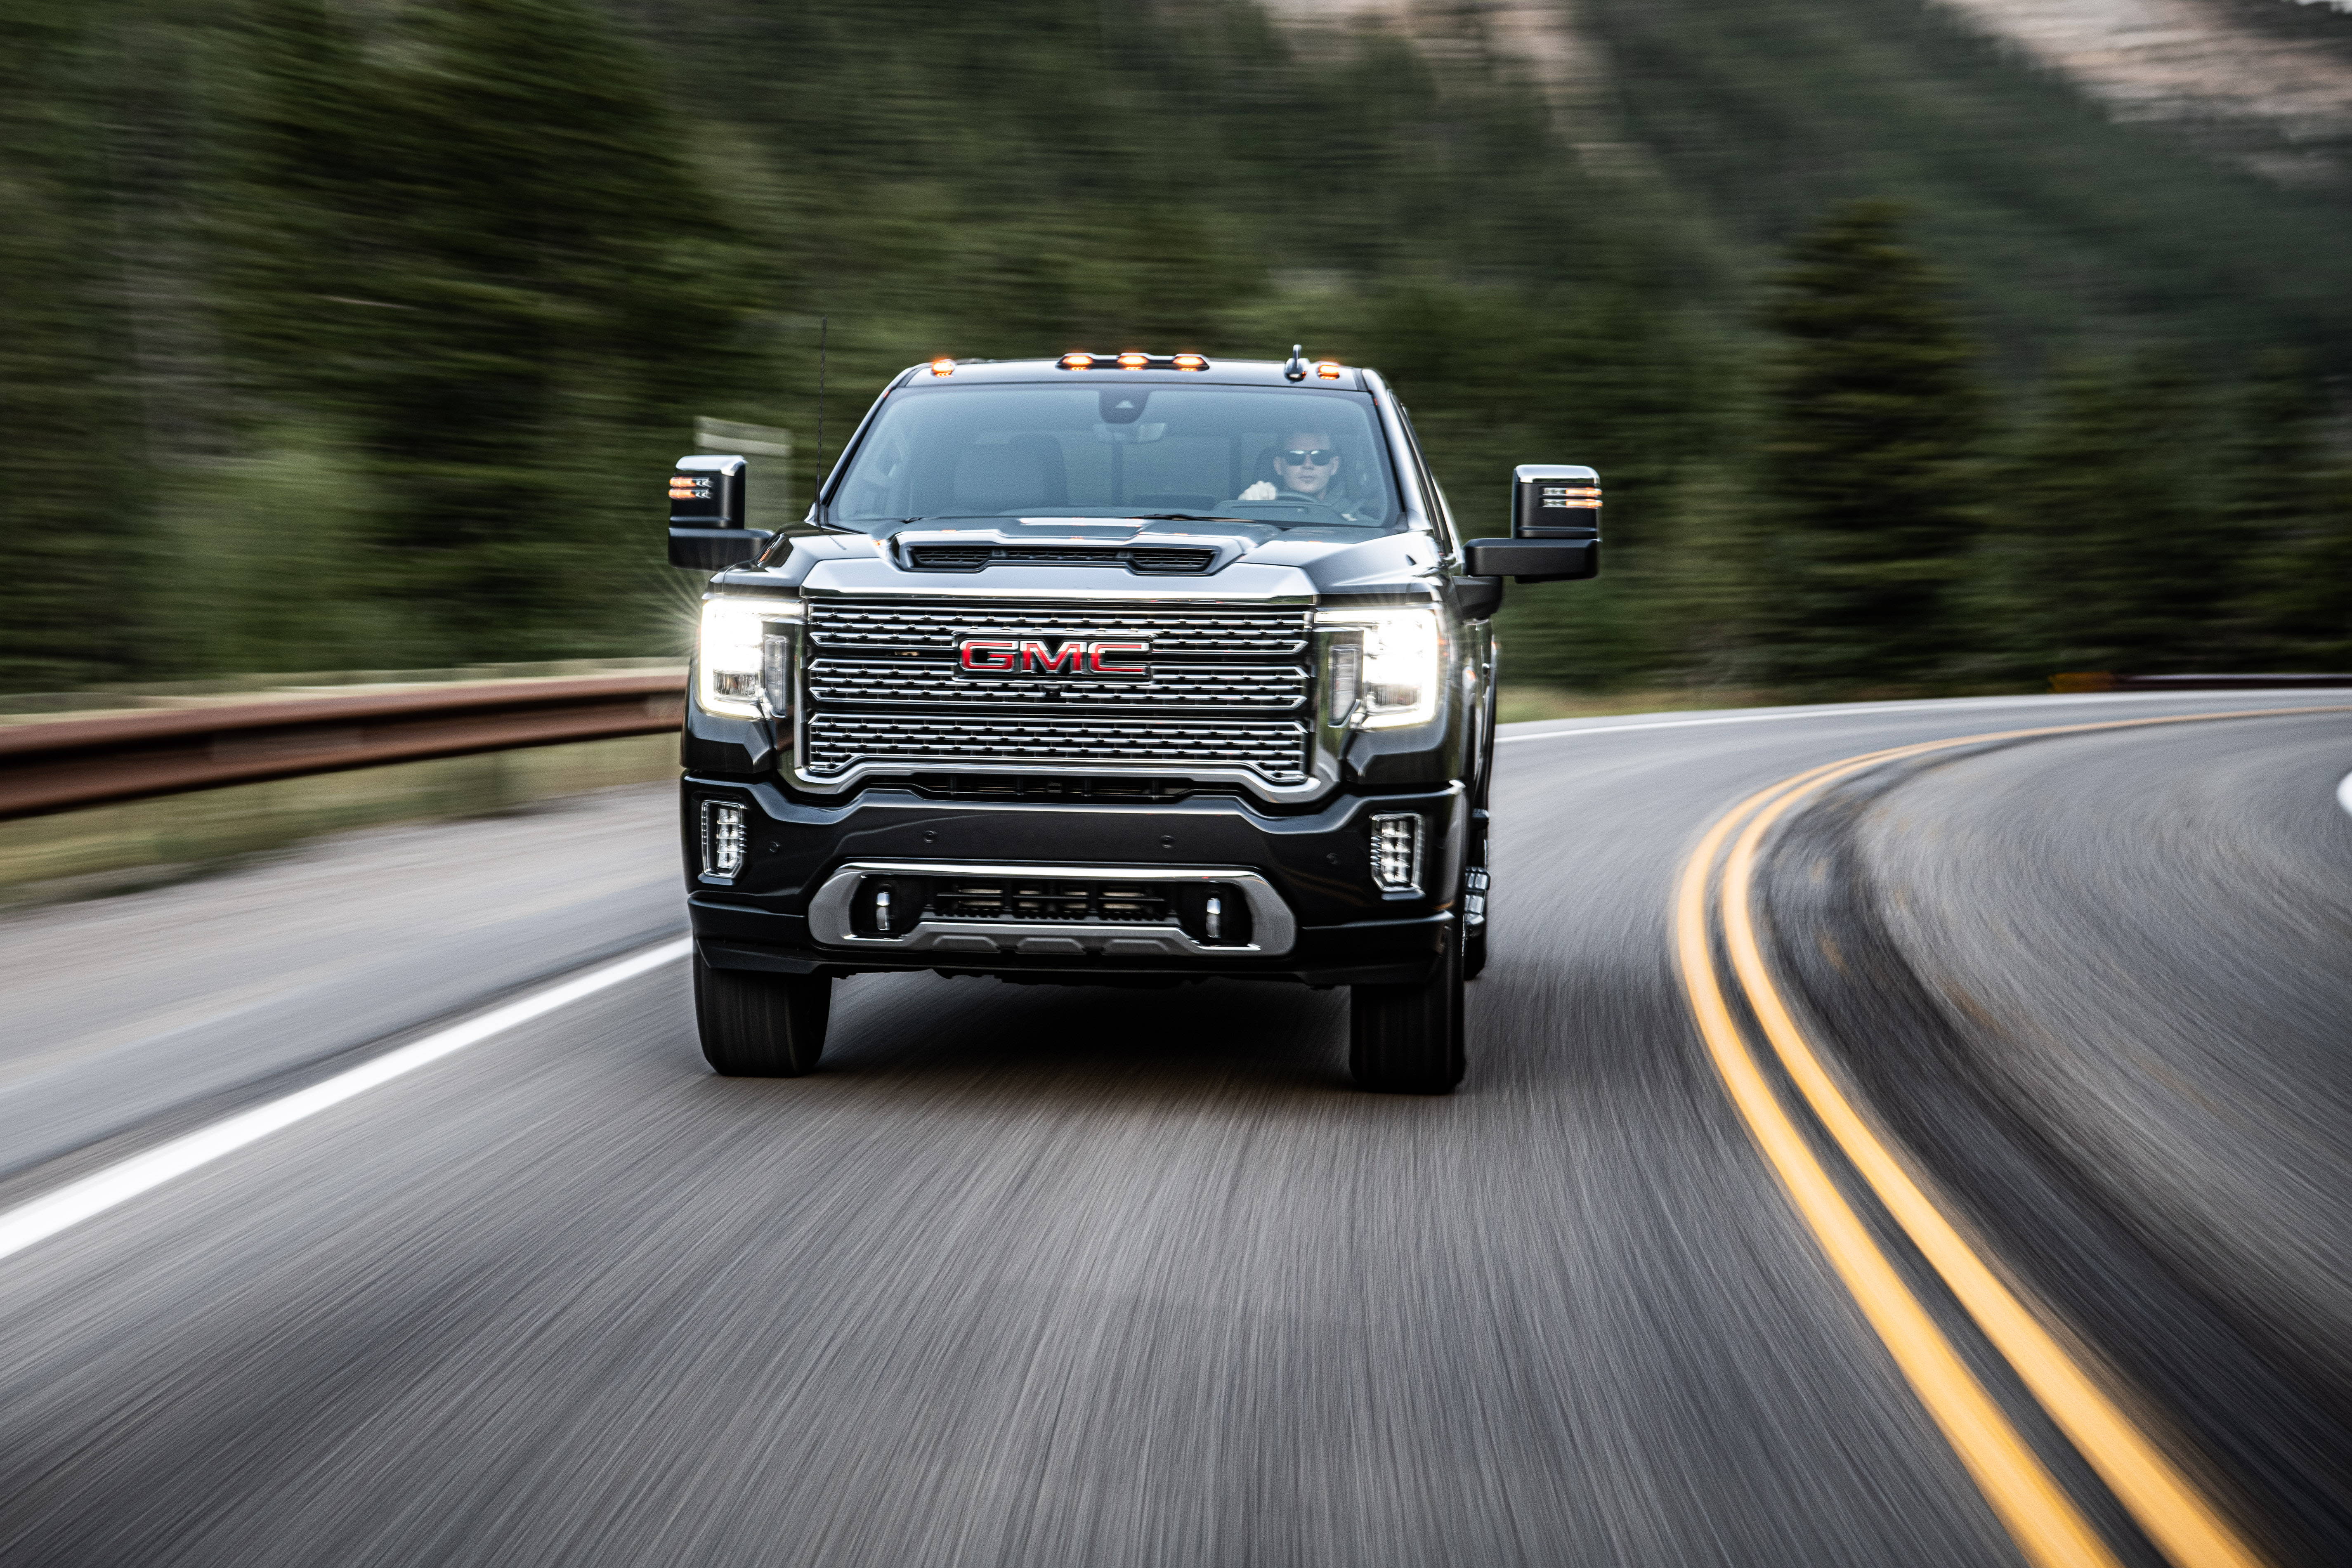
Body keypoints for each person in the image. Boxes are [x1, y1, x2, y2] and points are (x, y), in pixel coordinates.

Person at [1240, 430, 1344, 504]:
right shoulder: (1260, 508)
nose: (1308, 465)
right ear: (1279, 466)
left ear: (1334, 466)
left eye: (1320, 457)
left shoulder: (1354, 518)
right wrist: (1245, 507)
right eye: (1295, 456)